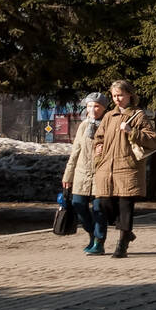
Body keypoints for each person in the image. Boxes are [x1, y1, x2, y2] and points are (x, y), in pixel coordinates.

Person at [90, 79, 156, 258]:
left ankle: (122, 244)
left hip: (128, 167)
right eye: (114, 96)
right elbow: (99, 137)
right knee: (105, 203)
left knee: (125, 206)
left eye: (120, 95)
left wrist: (132, 131)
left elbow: (153, 139)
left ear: (130, 95)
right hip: (106, 167)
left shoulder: (138, 115)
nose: (117, 99)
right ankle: (127, 231)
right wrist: (98, 148)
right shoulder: (108, 116)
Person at [62, 92, 108, 249]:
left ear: (103, 108)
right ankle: (92, 233)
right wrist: (68, 175)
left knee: (98, 209)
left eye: (97, 106)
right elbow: (75, 151)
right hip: (82, 173)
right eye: (90, 106)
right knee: (78, 204)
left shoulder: (108, 125)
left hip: (101, 174)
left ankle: (98, 242)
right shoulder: (83, 126)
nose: (93, 109)